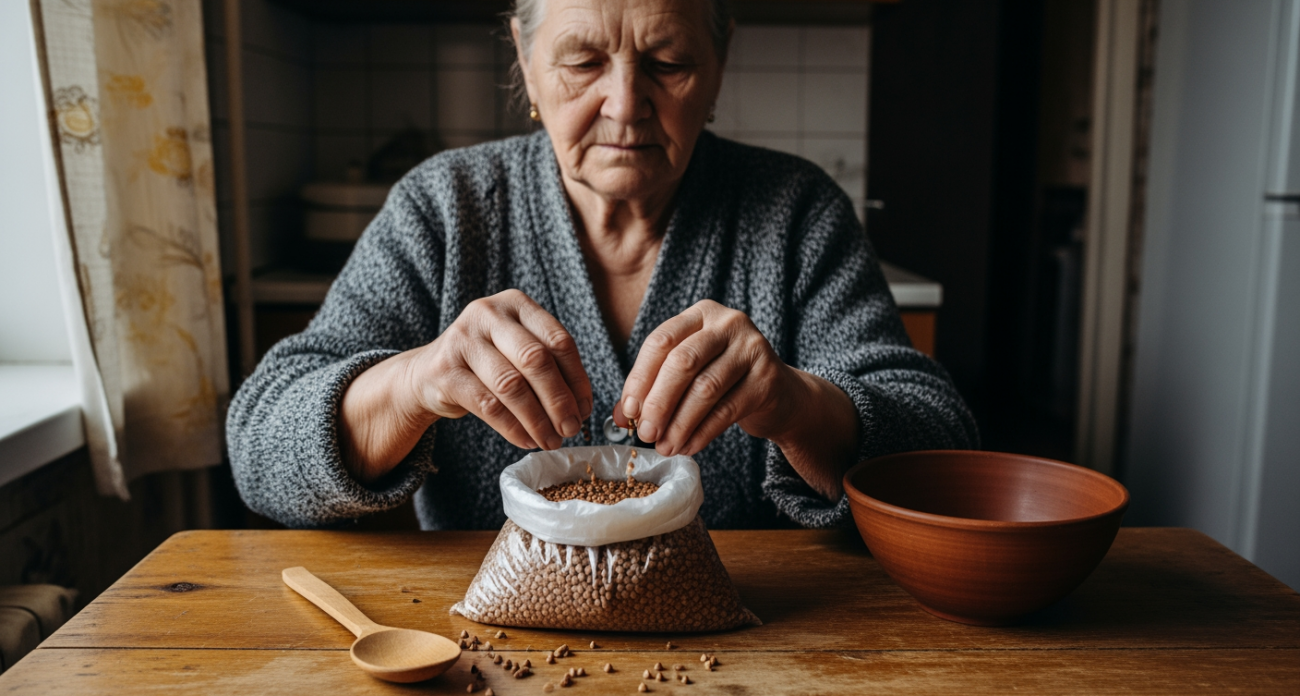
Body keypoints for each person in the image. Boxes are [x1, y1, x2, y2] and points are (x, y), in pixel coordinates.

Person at [227, 0, 978, 530]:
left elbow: (942, 455)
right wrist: (416, 381)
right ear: (525, 62)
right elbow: (261, 449)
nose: (625, 104)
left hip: (759, 647)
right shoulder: (444, 207)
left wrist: (793, 402)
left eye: (669, 62)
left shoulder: (795, 211)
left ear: (718, 64)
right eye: (583, 60)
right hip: (489, 652)